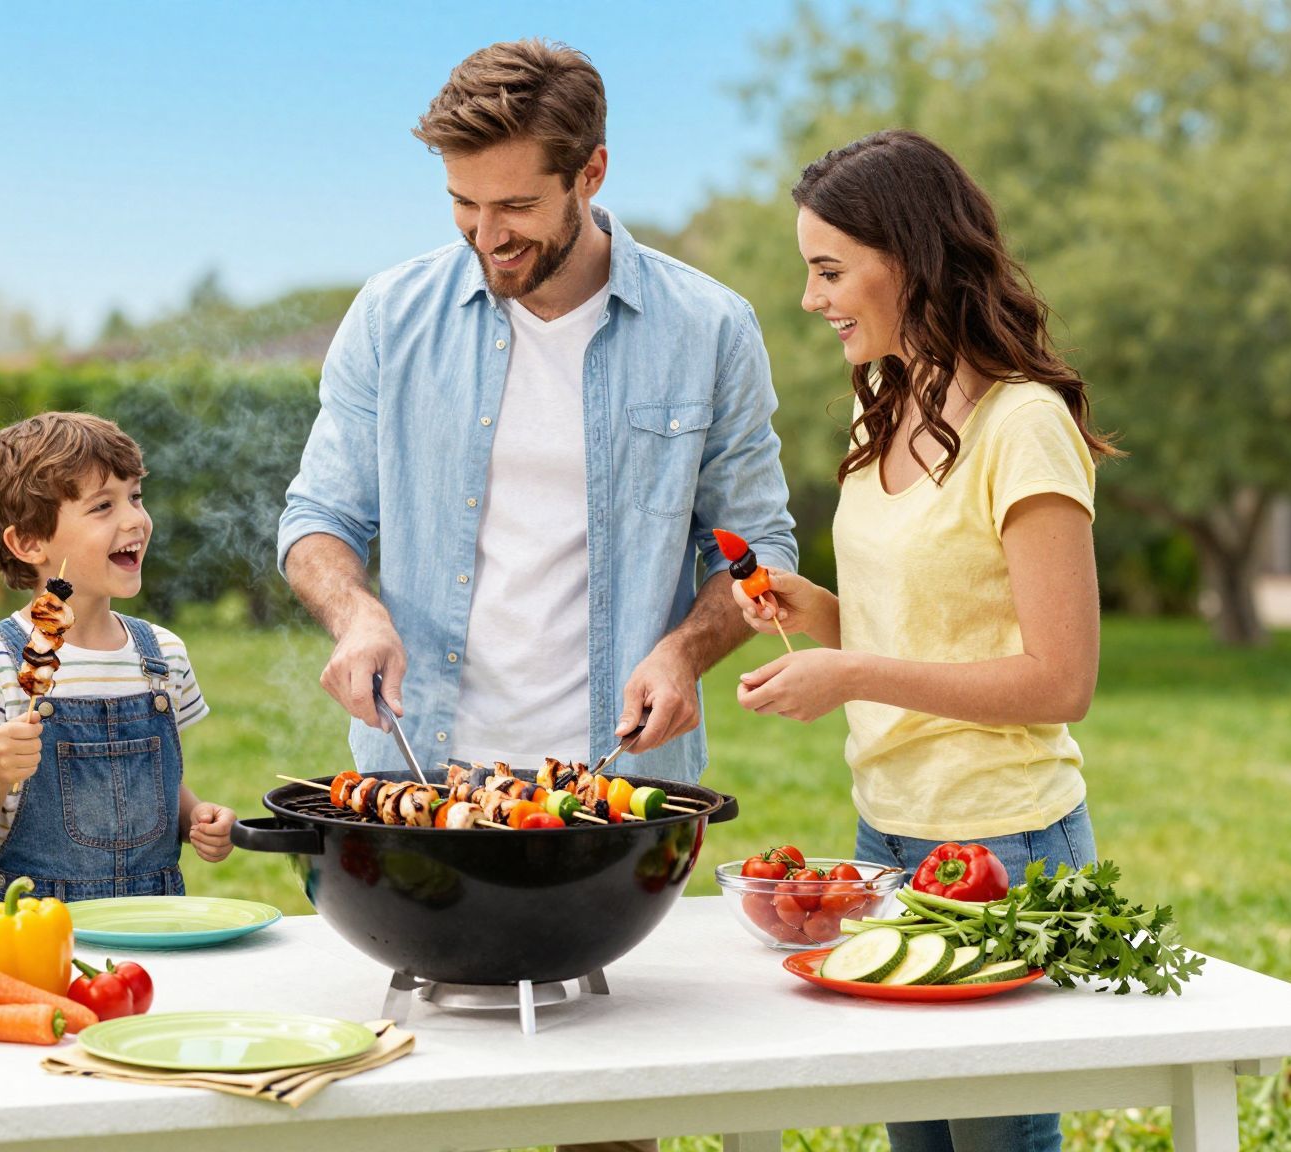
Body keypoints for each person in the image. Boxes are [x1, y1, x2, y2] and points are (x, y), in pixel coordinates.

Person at [733, 129, 1119, 1152]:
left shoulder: (1019, 425)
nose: (812, 300)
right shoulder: (888, 411)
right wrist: (800, 604)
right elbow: (909, 625)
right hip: (886, 833)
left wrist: (850, 670)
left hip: (999, 839)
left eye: (828, 271)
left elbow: (1058, 678)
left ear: (906, 260)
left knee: (994, 1140)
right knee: (918, 1142)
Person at [279, 37, 795, 788]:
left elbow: (755, 544)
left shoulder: (709, 329)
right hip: (419, 769)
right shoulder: (391, 316)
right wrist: (354, 613)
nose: (486, 237)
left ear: (591, 173)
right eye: (464, 203)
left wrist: (684, 653)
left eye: (516, 206)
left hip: (619, 775)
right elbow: (318, 517)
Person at [0, 411, 234, 904]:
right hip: (35, 923)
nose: (135, 519)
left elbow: (154, 785)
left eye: (135, 496)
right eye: (103, 506)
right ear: (29, 543)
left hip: (154, 916)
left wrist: (195, 817)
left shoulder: (162, 657)